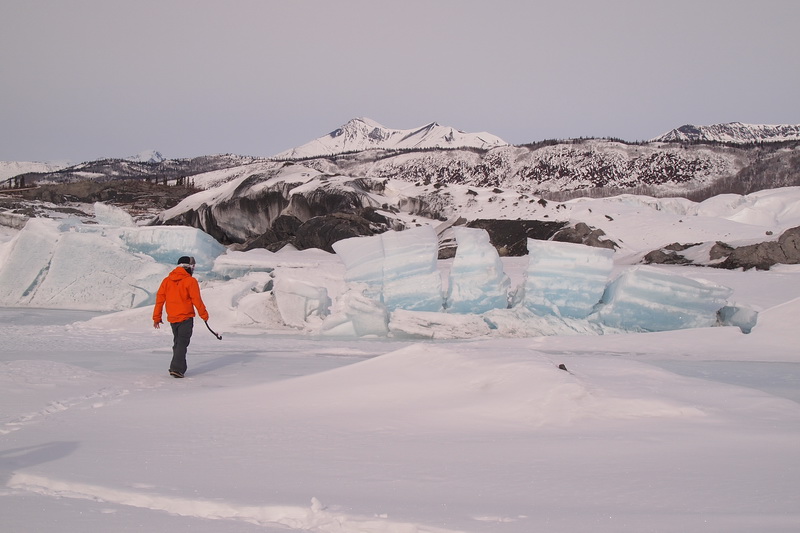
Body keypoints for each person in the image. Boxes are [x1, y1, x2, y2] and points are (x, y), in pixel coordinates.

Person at [152, 256, 209, 378]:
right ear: (189, 267)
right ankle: (176, 369)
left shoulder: (167, 281)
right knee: (182, 343)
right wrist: (204, 314)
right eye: (193, 267)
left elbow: (160, 300)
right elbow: (196, 300)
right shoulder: (190, 281)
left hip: (172, 317)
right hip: (186, 317)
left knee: (178, 342)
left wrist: (156, 317)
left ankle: (180, 368)